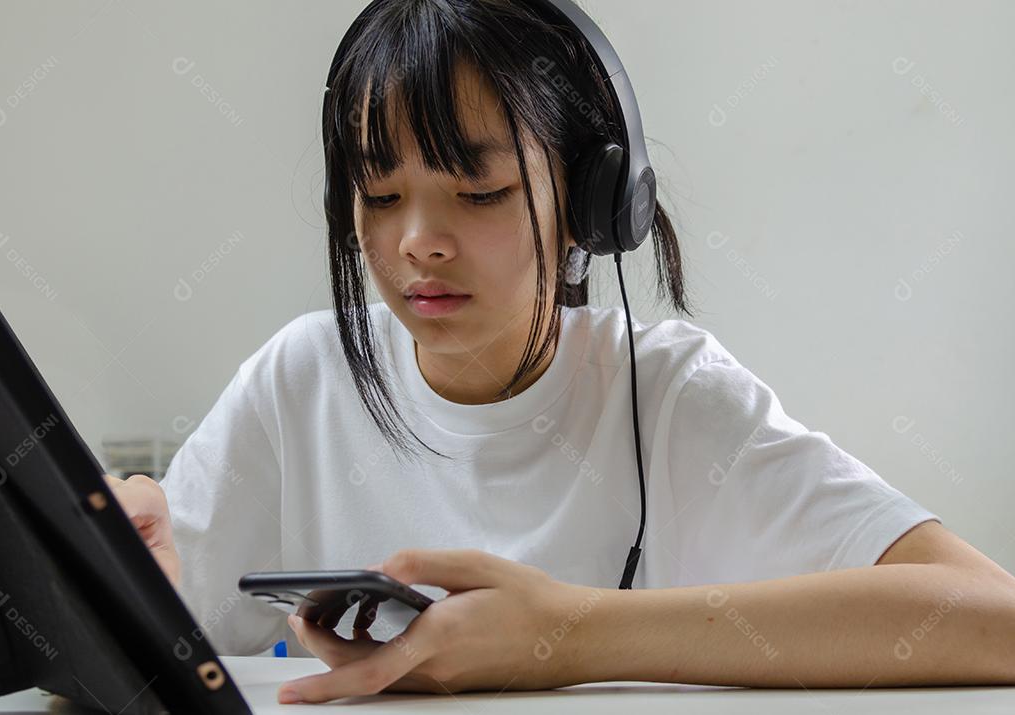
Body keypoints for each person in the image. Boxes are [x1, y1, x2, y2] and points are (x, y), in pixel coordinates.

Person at [107, 0, 1015, 705]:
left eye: (479, 190)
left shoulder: (668, 395)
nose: (418, 241)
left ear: (590, 203)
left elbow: (994, 621)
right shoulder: (297, 380)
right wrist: (123, 574)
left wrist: (571, 634)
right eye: (381, 194)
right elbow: (139, 654)